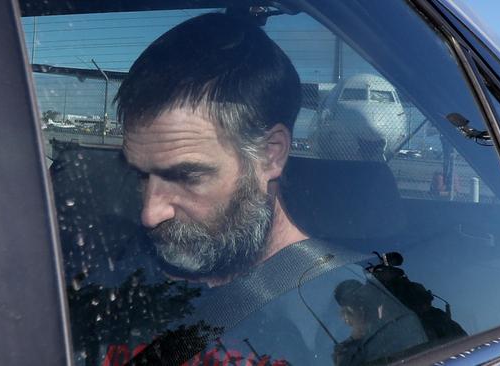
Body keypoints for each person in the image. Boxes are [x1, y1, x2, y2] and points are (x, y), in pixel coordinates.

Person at [116, 12, 427, 365]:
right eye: (141, 176)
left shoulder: (369, 327)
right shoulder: (116, 269)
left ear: (270, 155)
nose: (150, 213)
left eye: (188, 176)